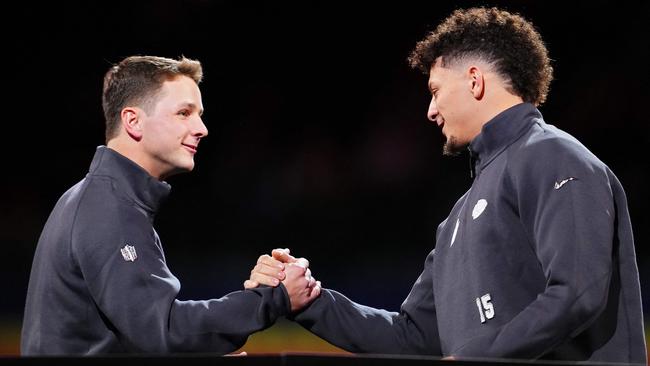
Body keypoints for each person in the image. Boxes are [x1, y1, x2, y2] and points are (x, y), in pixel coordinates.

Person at [247, 7, 646, 363]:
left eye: (436, 91)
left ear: (475, 81)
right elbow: (412, 336)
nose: (430, 110)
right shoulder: (460, 214)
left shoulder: (553, 155)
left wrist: (477, 355)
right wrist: (307, 301)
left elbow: (578, 292)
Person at [21, 55, 320, 355]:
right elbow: (165, 332)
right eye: (184, 113)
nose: (201, 128)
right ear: (133, 121)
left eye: (199, 114)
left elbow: (137, 339)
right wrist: (273, 298)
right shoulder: (109, 208)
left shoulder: (101, 197)